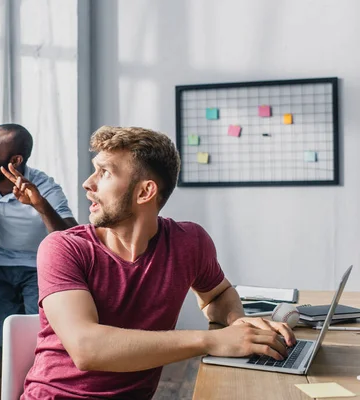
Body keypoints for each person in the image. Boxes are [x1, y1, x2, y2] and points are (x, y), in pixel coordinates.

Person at [22, 126, 297, 399]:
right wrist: (211, 340)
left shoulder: (189, 242)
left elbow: (218, 294)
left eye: (104, 172)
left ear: (145, 192)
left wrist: (238, 322)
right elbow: (87, 349)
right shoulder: (63, 248)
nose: (88, 183)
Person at [0, 123, 78, 399]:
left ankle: (25, 391)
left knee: (40, 340)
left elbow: (72, 236)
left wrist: (39, 204)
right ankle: (9, 390)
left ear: (15, 160)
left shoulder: (43, 185)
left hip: (37, 268)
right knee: (6, 338)